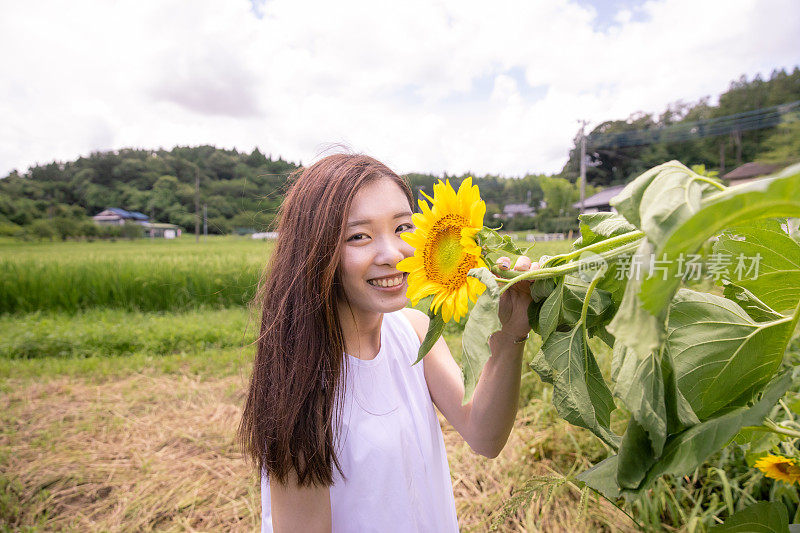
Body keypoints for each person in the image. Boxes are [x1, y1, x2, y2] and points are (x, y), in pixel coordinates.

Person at [237, 153, 538, 532]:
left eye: (402, 228)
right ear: (313, 252)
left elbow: (484, 435)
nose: (394, 254)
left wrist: (511, 334)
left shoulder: (412, 332)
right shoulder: (301, 384)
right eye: (359, 236)